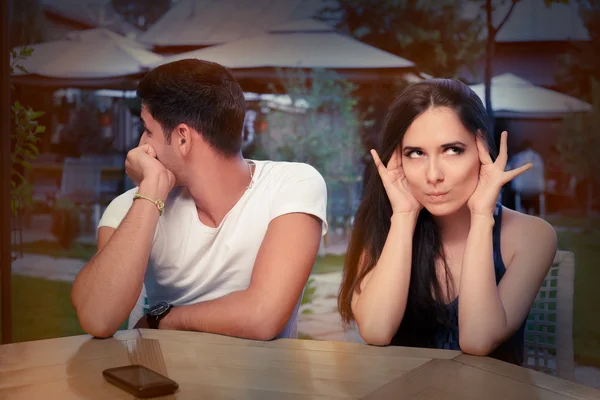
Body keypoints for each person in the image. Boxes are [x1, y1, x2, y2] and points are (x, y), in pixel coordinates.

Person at [71, 59, 328, 340]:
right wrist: (151, 191)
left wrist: (164, 319)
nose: (140, 146)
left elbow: (262, 317)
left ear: (182, 138)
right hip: (159, 379)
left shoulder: (291, 185)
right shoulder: (133, 206)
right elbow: (97, 317)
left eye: (147, 130)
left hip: (258, 383)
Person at [337, 79, 557, 365]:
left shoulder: (532, 235)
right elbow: (376, 331)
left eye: (452, 150)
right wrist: (403, 217)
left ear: (481, 149)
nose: (433, 175)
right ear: (397, 160)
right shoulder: (381, 226)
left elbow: (478, 340)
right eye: (415, 153)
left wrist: (481, 217)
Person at [508, 139, 546, 216]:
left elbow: (508, 170)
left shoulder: (518, 157)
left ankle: (519, 210)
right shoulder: (538, 157)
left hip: (521, 188)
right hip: (537, 187)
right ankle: (532, 210)